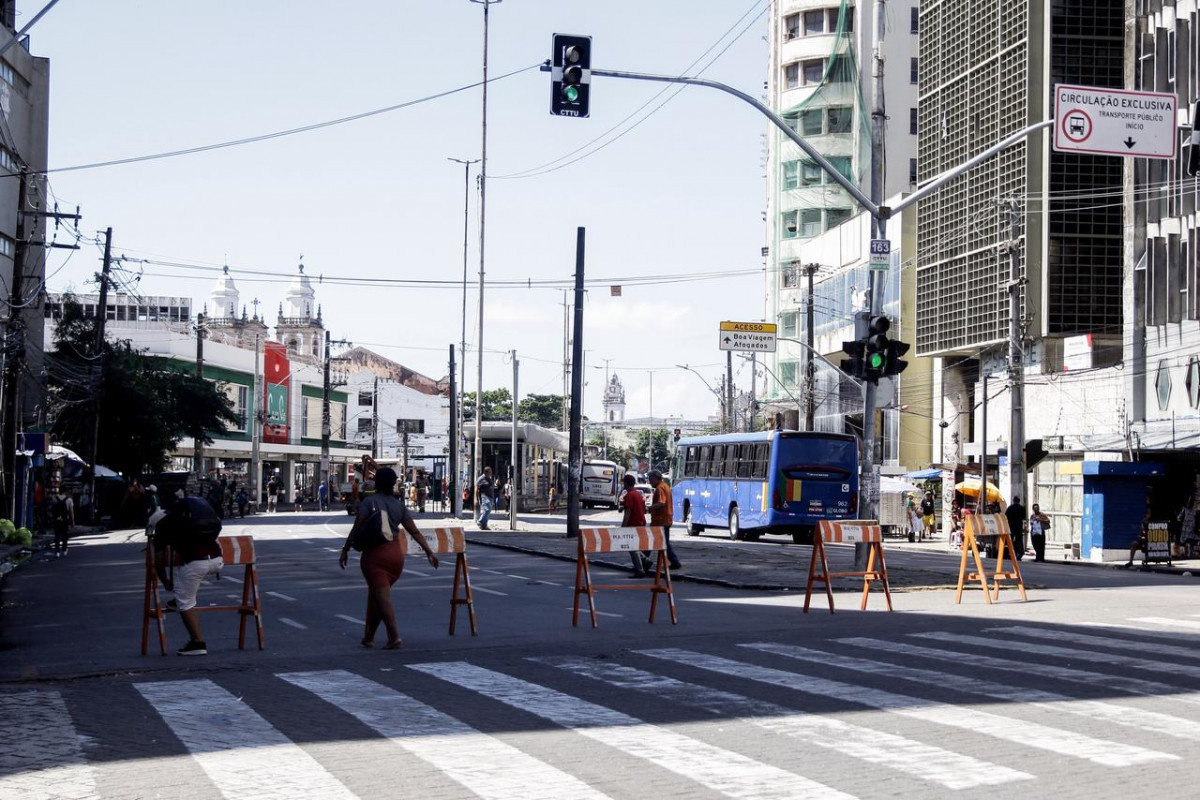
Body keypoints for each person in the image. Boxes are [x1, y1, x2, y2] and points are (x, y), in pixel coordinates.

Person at [338, 467, 439, 649]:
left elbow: (356, 527)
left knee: (381, 598)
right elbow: (413, 531)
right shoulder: (398, 505)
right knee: (377, 596)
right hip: (396, 555)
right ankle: (368, 637)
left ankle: (394, 636)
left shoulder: (369, 502)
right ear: (393, 484)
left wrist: (345, 549)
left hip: (375, 556)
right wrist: (429, 552)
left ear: (376, 483)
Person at [152, 490, 224, 656]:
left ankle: (197, 643)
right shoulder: (195, 518)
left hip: (194, 563)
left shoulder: (164, 524)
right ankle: (177, 599)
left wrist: (165, 582)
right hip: (217, 560)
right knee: (185, 589)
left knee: (185, 602)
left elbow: (159, 560)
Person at [647, 470, 682, 571]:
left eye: (651, 479)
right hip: (664, 520)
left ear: (656, 478)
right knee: (662, 542)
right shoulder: (665, 486)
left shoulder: (660, 488)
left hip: (660, 521)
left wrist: (650, 508)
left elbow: (661, 503)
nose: (649, 481)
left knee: (650, 540)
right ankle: (674, 562)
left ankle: (643, 560)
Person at [621, 473, 654, 576]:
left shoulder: (629, 495)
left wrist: (623, 526)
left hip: (633, 524)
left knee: (632, 547)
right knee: (633, 546)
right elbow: (643, 509)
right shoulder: (638, 495)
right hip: (641, 523)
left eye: (624, 483)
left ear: (626, 483)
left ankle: (640, 570)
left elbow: (628, 512)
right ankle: (645, 561)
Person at [49, 482, 74, 557]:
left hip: (57, 519)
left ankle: (57, 551)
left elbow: (51, 509)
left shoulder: (54, 498)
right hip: (65, 520)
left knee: (57, 535)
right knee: (64, 535)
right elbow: (71, 512)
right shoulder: (69, 500)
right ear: (65, 491)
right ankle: (64, 549)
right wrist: (73, 521)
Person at [1004, 495, 1027, 560]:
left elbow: (1006, 516)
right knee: (1019, 541)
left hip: (1011, 527)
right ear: (1019, 501)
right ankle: (1019, 553)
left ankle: (1010, 553)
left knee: (1010, 541)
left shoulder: (1010, 508)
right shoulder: (1021, 508)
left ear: (1013, 501)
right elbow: (1023, 518)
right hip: (1018, 527)